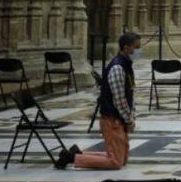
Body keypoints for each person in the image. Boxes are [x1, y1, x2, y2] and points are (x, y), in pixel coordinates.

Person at [57, 31, 142, 170]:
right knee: (115, 162)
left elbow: (129, 93)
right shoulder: (117, 67)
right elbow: (119, 99)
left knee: (123, 159)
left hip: (118, 119)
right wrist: (129, 120)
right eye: (136, 47)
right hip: (112, 119)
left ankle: (78, 153)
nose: (139, 51)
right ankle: (72, 158)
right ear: (126, 48)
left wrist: (130, 116)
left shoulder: (126, 65)